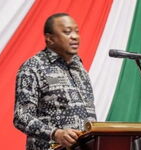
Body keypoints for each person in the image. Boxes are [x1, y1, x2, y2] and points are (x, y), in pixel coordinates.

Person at [13, 13, 96, 150]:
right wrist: (55, 134)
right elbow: (21, 117)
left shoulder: (80, 69)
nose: (75, 36)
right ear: (49, 38)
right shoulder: (33, 67)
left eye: (76, 31)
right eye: (67, 32)